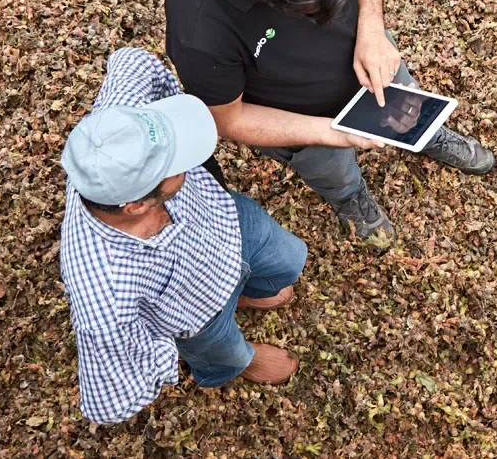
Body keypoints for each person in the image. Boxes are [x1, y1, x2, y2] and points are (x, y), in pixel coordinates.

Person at [165, 0, 496, 244]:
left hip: (371, 57)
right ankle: (349, 197)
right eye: (309, 10)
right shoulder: (199, 31)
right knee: (329, 168)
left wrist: (371, 26)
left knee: (410, 104)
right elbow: (230, 118)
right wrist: (333, 133)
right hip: (302, 121)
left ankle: (425, 134)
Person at [58, 48, 309, 425]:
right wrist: (164, 344)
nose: (188, 159)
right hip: (196, 314)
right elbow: (107, 402)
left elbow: (131, 60)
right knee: (221, 349)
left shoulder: (115, 124)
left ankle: (245, 292)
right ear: (136, 205)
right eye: (176, 164)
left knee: (288, 259)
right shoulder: (103, 287)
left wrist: (166, 107)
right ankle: (244, 360)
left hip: (225, 218)